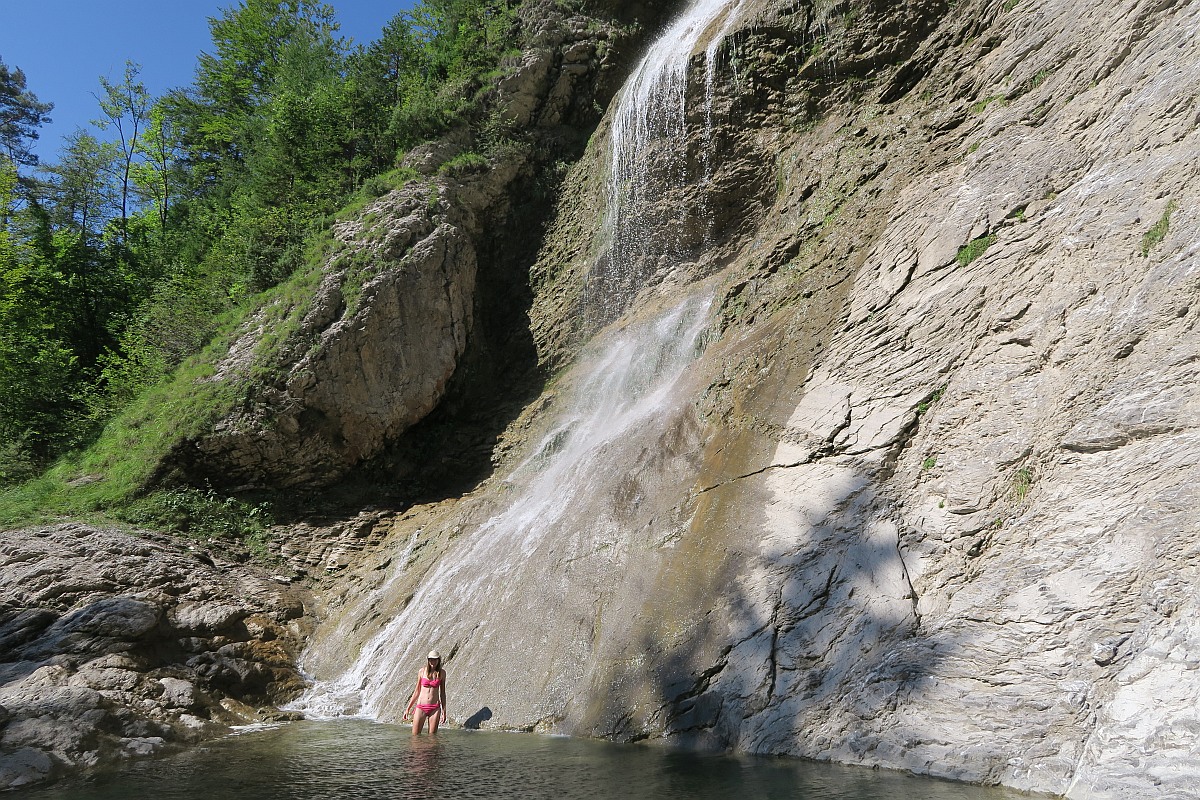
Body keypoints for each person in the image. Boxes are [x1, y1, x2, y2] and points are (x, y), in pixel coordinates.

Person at [403, 650, 448, 733]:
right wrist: (408, 709)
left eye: (435, 659)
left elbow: (442, 693)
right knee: (415, 736)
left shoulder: (442, 673)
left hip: (435, 708)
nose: (433, 661)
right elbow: (417, 691)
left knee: (432, 737)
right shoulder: (422, 671)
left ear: (438, 660)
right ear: (428, 660)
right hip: (421, 707)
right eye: (431, 659)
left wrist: (444, 711)